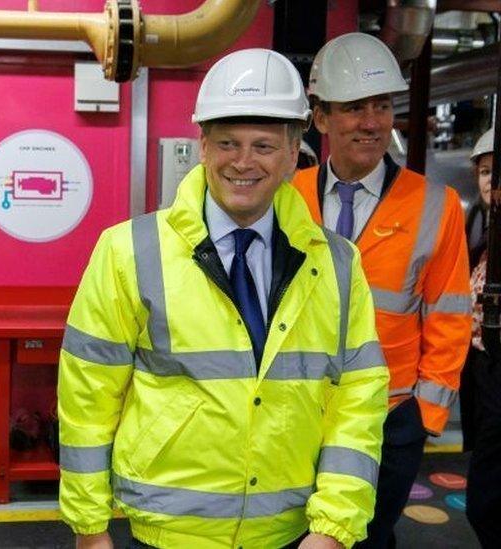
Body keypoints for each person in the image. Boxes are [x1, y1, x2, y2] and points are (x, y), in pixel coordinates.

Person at [58, 48, 389, 549]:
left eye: (263, 146)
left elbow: (358, 401)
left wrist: (334, 528)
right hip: (163, 532)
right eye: (227, 143)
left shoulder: (337, 265)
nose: (242, 162)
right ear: (203, 145)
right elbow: (87, 396)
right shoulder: (128, 250)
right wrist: (89, 526)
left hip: (292, 535)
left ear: (295, 148)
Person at [292, 32, 471, 548]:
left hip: (390, 417)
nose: (371, 122)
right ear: (320, 118)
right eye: (352, 108)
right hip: (299, 412)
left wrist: (424, 414)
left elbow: (450, 313)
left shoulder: (436, 204)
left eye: (381, 105)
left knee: (368, 537)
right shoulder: (287, 198)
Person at [462, 127, 500, 545]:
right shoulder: (482, 228)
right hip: (481, 368)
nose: (491, 180)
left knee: (485, 502)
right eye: (486, 171)